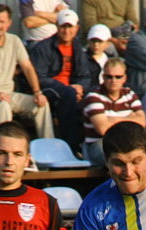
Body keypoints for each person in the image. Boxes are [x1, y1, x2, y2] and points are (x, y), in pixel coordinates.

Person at [0, 4, 55, 138]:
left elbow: (27, 67)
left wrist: (37, 92)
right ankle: (7, 147)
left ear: (9, 23)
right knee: (3, 106)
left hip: (8, 94)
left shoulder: (14, 41)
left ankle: (49, 148)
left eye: (2, 22)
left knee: (41, 104)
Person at [29, 9, 93, 155]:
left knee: (92, 99)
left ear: (77, 28)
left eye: (70, 26)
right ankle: (71, 147)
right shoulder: (43, 47)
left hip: (70, 92)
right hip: (49, 90)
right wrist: (67, 88)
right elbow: (40, 77)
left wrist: (80, 87)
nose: (66, 30)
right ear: (57, 26)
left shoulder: (78, 48)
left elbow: (85, 76)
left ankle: (92, 149)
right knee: (69, 94)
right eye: (63, 26)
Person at [81, 57, 146, 166]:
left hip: (130, 142)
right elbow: (103, 129)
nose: (113, 80)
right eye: (109, 76)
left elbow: (142, 123)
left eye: (118, 77)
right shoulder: (94, 97)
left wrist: (112, 119)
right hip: (100, 144)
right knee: (122, 163)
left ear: (124, 78)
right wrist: (130, 118)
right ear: (103, 77)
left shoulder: (130, 94)